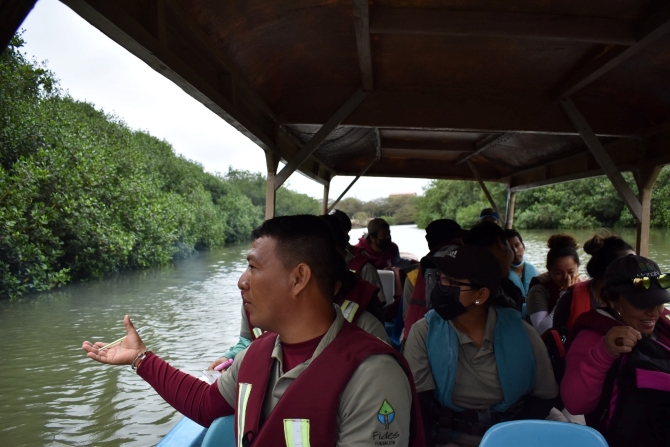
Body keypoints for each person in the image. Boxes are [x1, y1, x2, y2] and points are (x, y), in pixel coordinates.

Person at [82, 215, 423, 446]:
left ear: (298, 278)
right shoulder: (259, 354)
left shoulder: (372, 373)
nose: (241, 281)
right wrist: (140, 359)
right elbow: (205, 404)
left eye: (253, 267)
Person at [403, 245, 558, 447]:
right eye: (440, 278)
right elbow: (421, 405)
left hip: (514, 436)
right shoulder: (424, 333)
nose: (441, 286)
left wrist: (507, 437)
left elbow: (545, 396)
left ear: (481, 295)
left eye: (452, 282)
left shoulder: (522, 333)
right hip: (450, 439)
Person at [561, 254, 670, 446]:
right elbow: (574, 403)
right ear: (613, 301)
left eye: (658, 300)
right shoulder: (592, 337)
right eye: (642, 303)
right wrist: (604, 353)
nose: (654, 312)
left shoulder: (661, 324)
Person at [553, 234, 634, 330]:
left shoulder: (639, 296)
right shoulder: (569, 299)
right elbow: (558, 338)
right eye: (630, 265)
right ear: (608, 269)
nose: (636, 270)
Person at [402, 219, 466, 342]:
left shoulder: (416, 272)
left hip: (414, 330)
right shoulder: (451, 257)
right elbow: (434, 307)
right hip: (429, 334)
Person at [527, 234, 582, 334]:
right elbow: (542, 330)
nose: (566, 278)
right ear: (549, 270)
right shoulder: (538, 291)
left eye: (570, 272)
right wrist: (564, 295)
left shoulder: (583, 286)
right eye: (558, 273)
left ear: (578, 267)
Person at [464, 222, 523, 312]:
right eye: (509, 245)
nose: (514, 251)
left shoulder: (467, 285)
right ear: (500, 243)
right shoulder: (502, 293)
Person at [504, 229, 539, 297]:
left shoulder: (535, 272)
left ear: (523, 246)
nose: (515, 250)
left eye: (517, 245)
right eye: (510, 248)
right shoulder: (502, 276)